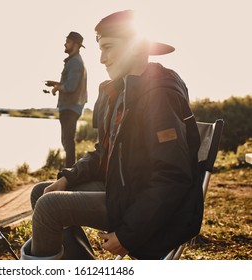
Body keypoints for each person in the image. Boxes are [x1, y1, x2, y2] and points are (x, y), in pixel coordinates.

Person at [21, 10, 202, 260]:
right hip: (124, 187)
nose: (102, 59)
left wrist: (128, 235)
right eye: (99, 49)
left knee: (49, 207)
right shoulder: (119, 91)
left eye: (108, 48)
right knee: (42, 192)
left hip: (145, 203)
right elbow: (104, 152)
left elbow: (171, 177)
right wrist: (68, 178)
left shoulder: (159, 94)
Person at [45, 31, 88, 168]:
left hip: (70, 107)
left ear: (75, 45)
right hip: (71, 106)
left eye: (68, 42)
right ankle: (70, 171)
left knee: (67, 141)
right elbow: (70, 83)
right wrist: (56, 84)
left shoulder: (75, 62)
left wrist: (57, 87)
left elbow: (70, 86)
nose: (65, 44)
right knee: (67, 141)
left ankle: (69, 172)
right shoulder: (74, 61)